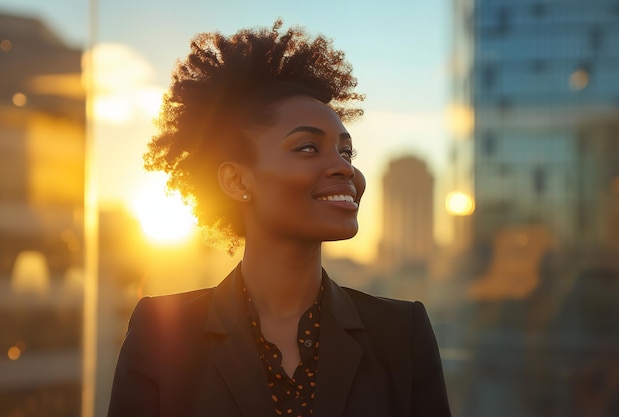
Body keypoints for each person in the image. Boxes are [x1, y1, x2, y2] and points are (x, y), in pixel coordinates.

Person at [107, 20, 451, 417]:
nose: (344, 169)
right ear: (236, 180)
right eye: (308, 148)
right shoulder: (162, 334)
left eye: (346, 152)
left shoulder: (401, 332)